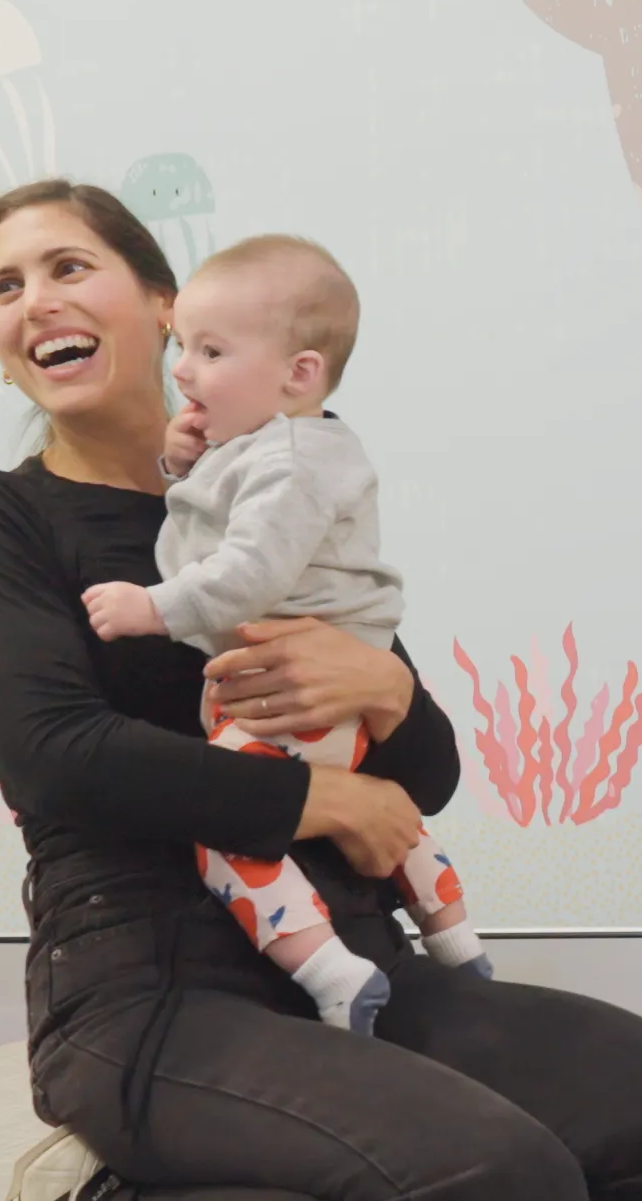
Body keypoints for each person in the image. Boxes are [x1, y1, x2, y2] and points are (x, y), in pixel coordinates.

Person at [0, 179, 642, 1201]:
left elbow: (423, 770)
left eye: (70, 268)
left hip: (355, 966)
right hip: (150, 989)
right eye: (3, 287)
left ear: (167, 308)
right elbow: (55, 756)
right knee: (495, 1193)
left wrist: (381, 684)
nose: (35, 302)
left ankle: (353, 1145)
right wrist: (321, 807)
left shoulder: (281, 479)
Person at [82, 234, 489, 1035]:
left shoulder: (296, 459)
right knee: (381, 805)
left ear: (299, 373)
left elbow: (249, 572)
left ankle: (330, 972)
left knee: (231, 822)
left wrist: (152, 608)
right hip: (327, 704)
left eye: (210, 351)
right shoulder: (279, 447)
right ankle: (458, 942)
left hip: (303, 699)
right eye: (183, 347)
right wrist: (186, 467)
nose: (184, 370)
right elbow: (220, 515)